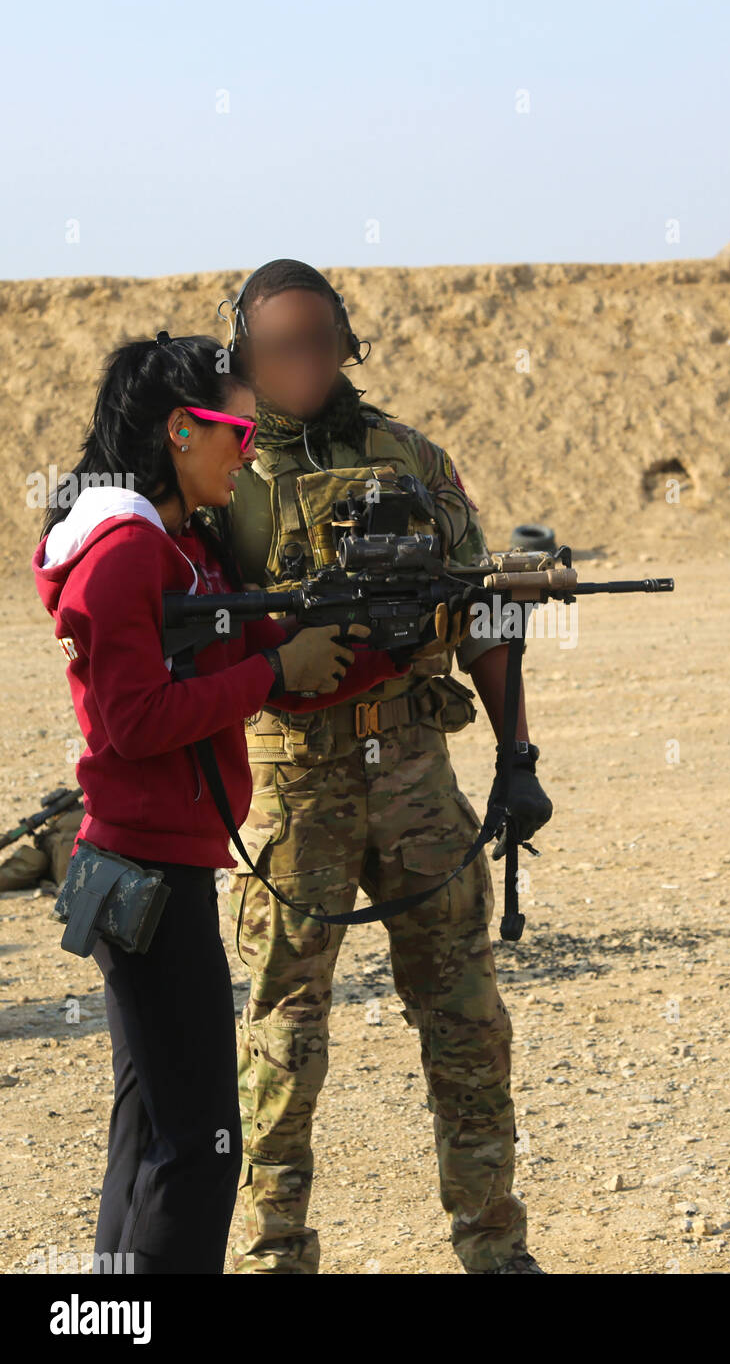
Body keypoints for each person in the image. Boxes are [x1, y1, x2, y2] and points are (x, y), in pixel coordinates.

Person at [31, 331, 412, 1274]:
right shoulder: (126, 555)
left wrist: (379, 641)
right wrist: (276, 664)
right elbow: (133, 720)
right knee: (200, 1148)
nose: (247, 455)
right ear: (176, 431)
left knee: (150, 1132)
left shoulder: (182, 549)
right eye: (234, 436)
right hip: (144, 871)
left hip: (161, 864)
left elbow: (262, 667)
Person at [209, 259, 554, 1274]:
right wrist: (276, 656)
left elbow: (488, 610)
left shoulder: (412, 459)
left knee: (466, 1019)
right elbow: (175, 627)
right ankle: (277, 1254)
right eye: (279, 345)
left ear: (348, 341)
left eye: (320, 339)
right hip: (288, 782)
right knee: (283, 1037)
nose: (304, 362)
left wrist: (516, 755)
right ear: (243, 352)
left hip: (410, 766)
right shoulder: (218, 478)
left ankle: (495, 1249)